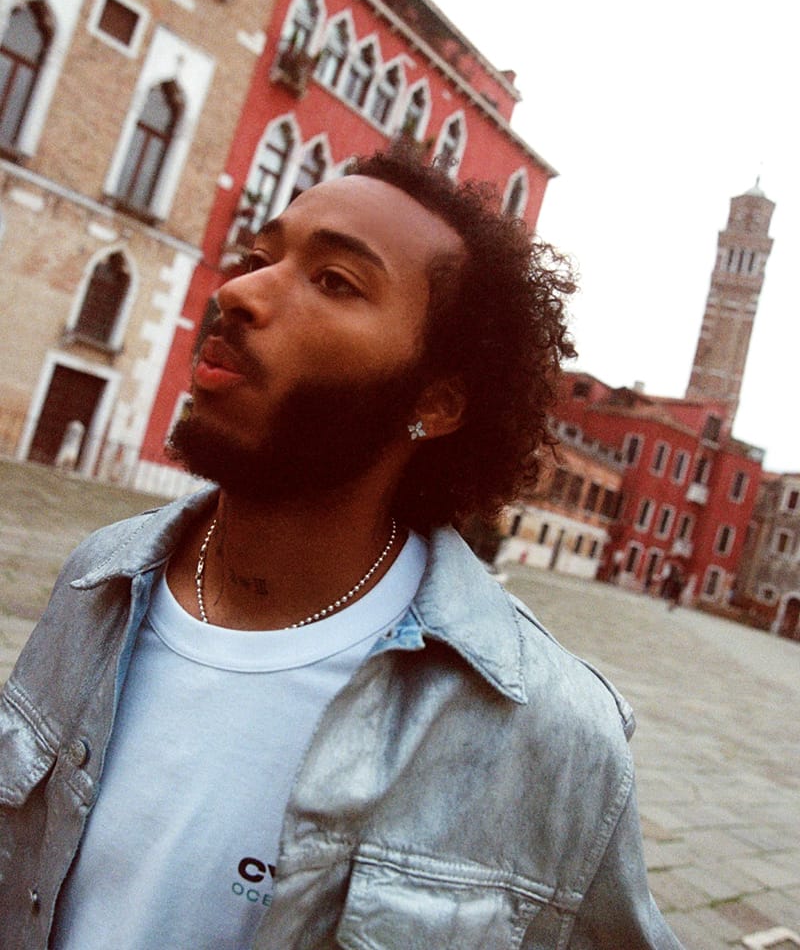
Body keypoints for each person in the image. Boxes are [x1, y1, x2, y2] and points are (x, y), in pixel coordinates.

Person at [0, 147, 683, 948]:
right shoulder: (97, 581)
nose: (237, 292)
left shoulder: (553, 735)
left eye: (333, 280)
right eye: (259, 256)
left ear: (436, 401)